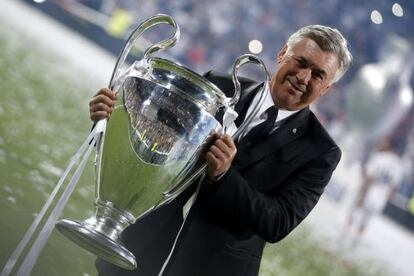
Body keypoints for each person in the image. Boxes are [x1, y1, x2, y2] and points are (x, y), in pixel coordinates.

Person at [89, 25, 352, 275]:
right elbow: (153, 145)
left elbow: (277, 222)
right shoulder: (217, 88)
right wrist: (110, 119)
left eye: (318, 75)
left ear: (327, 88)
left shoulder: (321, 151)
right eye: (301, 62)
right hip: (139, 250)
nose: (303, 78)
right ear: (283, 53)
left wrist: (224, 176)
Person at [344, 137, 403, 249]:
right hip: (380, 198)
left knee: (352, 216)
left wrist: (362, 195)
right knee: (363, 225)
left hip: (369, 193)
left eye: (384, 141)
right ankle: (351, 253)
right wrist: (385, 200)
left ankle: (339, 244)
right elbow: (393, 187)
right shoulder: (398, 165)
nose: (380, 143)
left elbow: (369, 178)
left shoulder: (379, 158)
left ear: (389, 145)